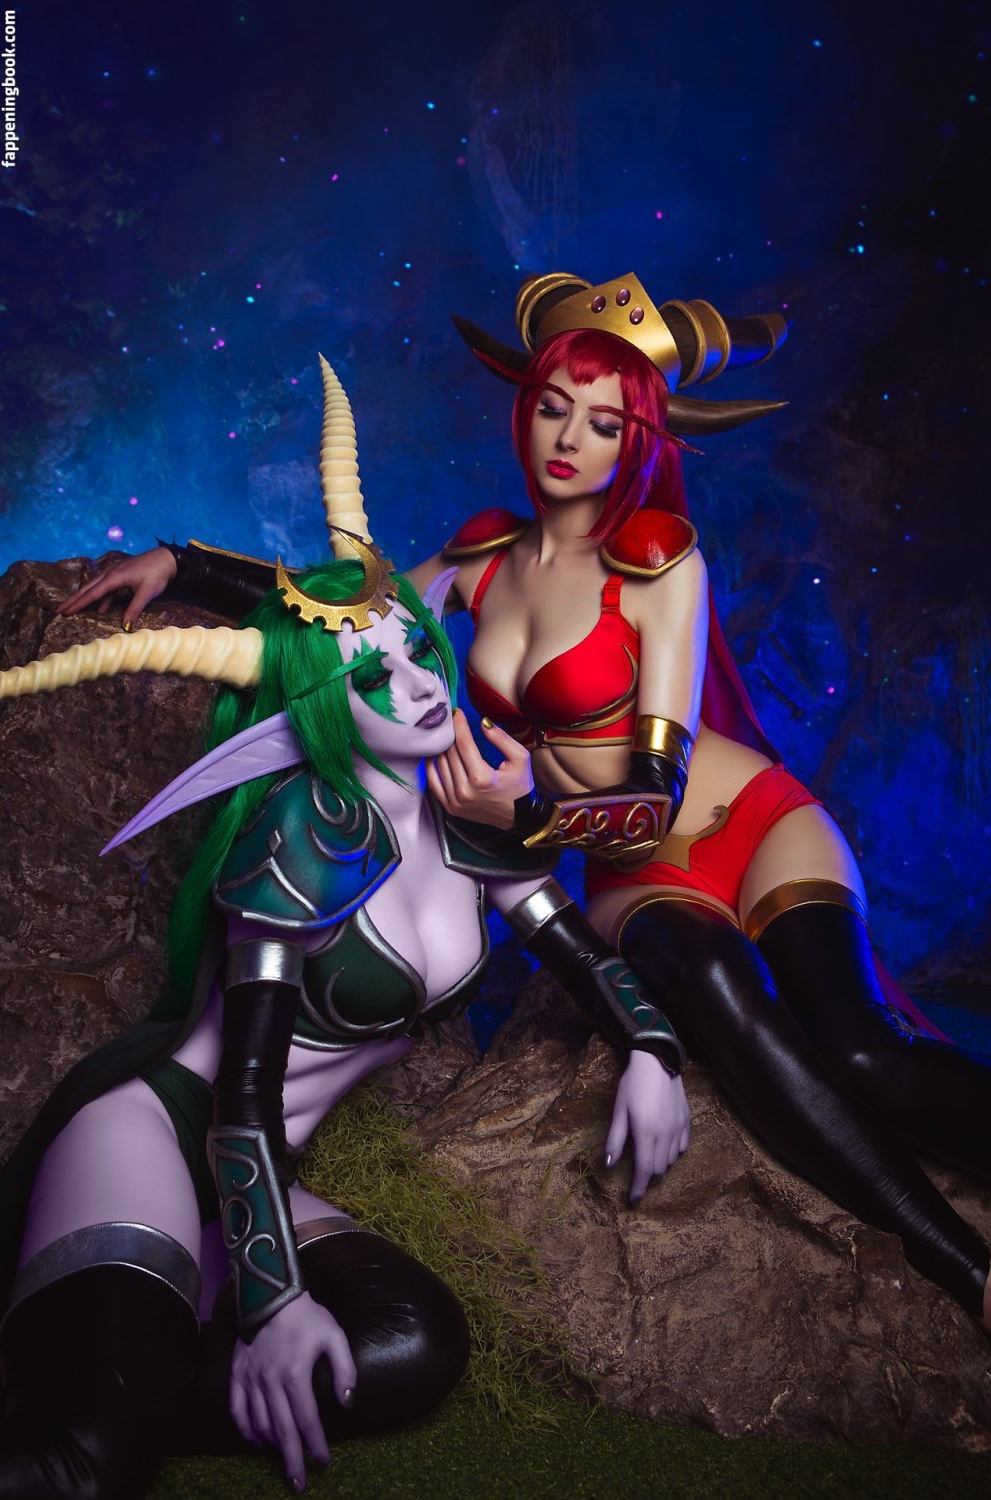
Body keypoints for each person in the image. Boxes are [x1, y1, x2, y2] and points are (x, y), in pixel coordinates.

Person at [58, 288, 991, 1333]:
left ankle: (966, 1262)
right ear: (525, 410)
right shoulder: (481, 557)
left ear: (638, 442)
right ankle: (970, 1269)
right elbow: (344, 622)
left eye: (604, 423)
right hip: (637, 880)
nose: (569, 439)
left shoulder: (661, 563)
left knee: (857, 1051)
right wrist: (185, 562)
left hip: (751, 824)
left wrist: (530, 821)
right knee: (720, 998)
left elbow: (658, 797)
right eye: (553, 407)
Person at [0, 359, 692, 1500]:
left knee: (416, 1344)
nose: (418, 682)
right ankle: (110, 1395)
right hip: (166, 1136)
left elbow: (581, 953)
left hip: (260, 1177)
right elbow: (242, 1094)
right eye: (373, 674)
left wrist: (653, 1051)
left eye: (417, 647)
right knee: (85, 1468)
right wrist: (273, 1305)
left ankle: (128, 1373)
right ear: (323, 703)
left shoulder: (469, 810)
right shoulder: (303, 834)